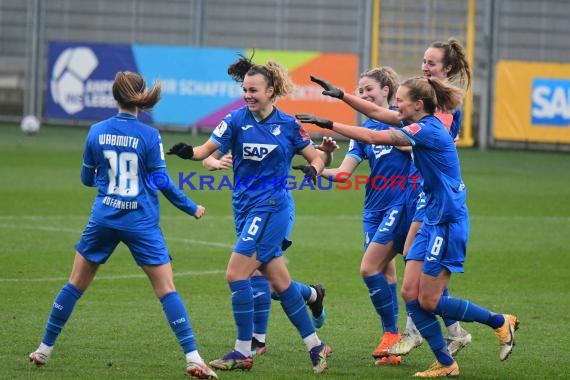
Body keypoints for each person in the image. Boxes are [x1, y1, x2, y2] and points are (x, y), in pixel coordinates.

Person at [296, 76, 519, 377]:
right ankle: (446, 363)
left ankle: (498, 321)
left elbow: (374, 136)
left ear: (417, 104)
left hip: (447, 220)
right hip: (429, 216)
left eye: (400, 100)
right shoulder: (413, 122)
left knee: (428, 300)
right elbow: (376, 116)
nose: (396, 105)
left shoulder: (426, 130)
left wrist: (328, 123)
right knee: (409, 294)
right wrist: (342, 95)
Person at [28, 71, 218, 379]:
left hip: (104, 218)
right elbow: (160, 180)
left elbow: (87, 179)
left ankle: (43, 349)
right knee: (166, 289)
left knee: (75, 284)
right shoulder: (149, 135)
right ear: (141, 98)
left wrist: (106, 179)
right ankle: (194, 358)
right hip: (140, 221)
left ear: (114, 96)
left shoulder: (96, 131)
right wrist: (190, 207)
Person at [167, 53, 332, 374]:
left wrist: (314, 167)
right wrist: (188, 152)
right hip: (244, 208)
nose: (247, 95)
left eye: (254, 90)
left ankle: (244, 350)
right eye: (245, 90)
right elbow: (205, 151)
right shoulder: (235, 120)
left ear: (271, 90)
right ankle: (316, 346)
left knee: (236, 274)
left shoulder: (288, 125)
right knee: (280, 284)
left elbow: (317, 157)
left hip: (272, 208)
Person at [311, 37, 474, 359]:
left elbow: (407, 138)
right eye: (423, 61)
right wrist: (342, 97)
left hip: (425, 200)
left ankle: (412, 334)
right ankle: (450, 334)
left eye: (431, 63)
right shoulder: (417, 105)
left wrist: (401, 139)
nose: (424, 66)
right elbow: (379, 122)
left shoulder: (436, 111)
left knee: (402, 269)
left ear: (448, 68)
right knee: (417, 270)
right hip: (410, 200)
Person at [317, 66, 410, 365]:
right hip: (373, 209)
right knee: (386, 271)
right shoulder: (362, 134)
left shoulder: (405, 121)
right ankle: (393, 342)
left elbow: (415, 146)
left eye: (368, 89)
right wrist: (316, 171)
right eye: (359, 91)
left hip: (401, 205)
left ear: (386, 89)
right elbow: (345, 174)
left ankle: (392, 335)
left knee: (371, 269)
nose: (363, 94)